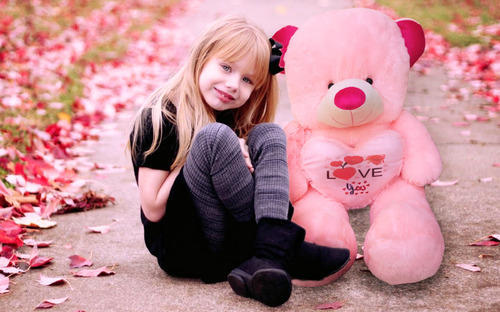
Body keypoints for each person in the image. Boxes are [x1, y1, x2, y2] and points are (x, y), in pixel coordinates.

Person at [128, 15, 350, 307]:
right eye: (226, 67)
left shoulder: (230, 112)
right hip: (186, 247)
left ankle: (267, 255)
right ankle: (281, 250)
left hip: (233, 239)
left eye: (247, 80)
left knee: (269, 133)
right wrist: (203, 149)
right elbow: (153, 207)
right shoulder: (161, 116)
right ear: (202, 57)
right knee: (214, 138)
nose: (233, 84)